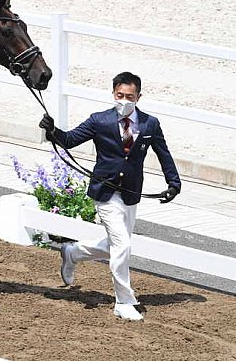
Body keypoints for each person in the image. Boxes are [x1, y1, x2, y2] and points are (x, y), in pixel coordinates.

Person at [39, 71, 181, 321]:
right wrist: (53, 131)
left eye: (130, 96)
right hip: (105, 192)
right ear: (113, 93)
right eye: (119, 95)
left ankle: (73, 252)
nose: (124, 100)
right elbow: (70, 140)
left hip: (131, 193)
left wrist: (173, 183)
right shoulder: (99, 121)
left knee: (116, 245)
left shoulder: (150, 124)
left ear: (139, 96)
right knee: (123, 245)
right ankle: (123, 301)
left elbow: (163, 154)